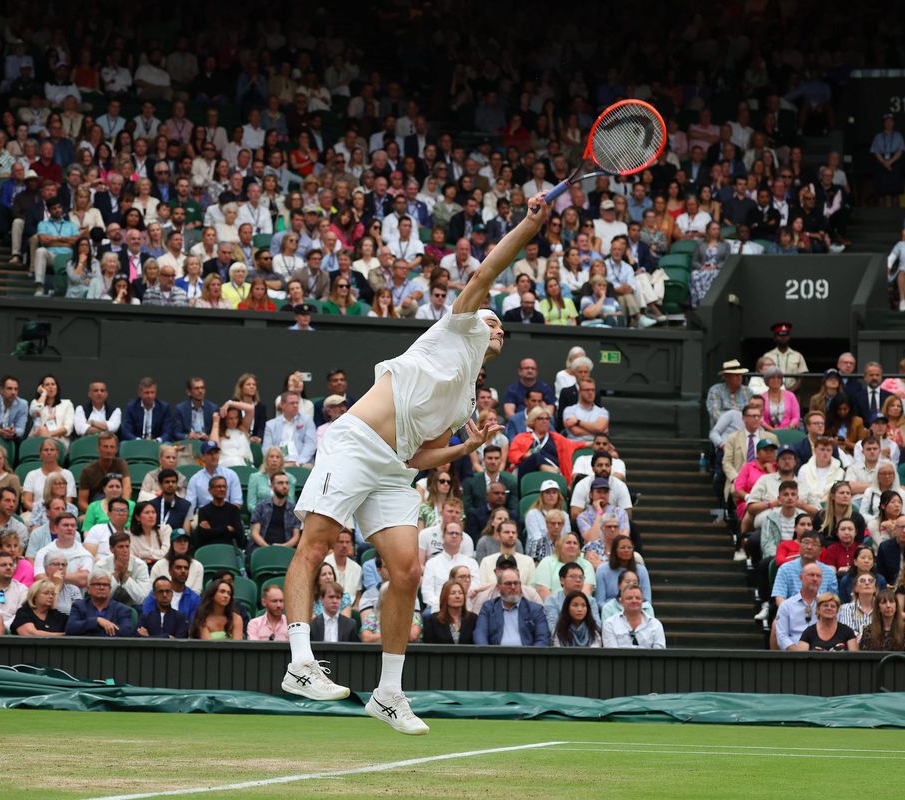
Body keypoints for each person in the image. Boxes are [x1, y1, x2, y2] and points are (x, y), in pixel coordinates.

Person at [277, 192, 550, 734]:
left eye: (502, 329)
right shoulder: (455, 328)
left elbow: (423, 454)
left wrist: (465, 449)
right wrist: (528, 224)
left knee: (407, 570)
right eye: (492, 320)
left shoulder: (466, 402)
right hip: (355, 444)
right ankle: (300, 663)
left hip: (395, 469)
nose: (497, 328)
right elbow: (492, 266)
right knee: (316, 543)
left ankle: (389, 692)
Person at [600, 584, 665, 648]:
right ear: (621, 601)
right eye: (629, 598)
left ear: (642, 601)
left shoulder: (656, 625)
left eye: (638, 598)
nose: (634, 601)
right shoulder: (610, 624)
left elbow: (660, 655)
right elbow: (611, 654)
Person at [422, 579, 478, 644]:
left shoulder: (473, 619)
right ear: (445, 597)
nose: (457, 596)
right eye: (453, 593)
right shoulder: (432, 620)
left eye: (460, 593)